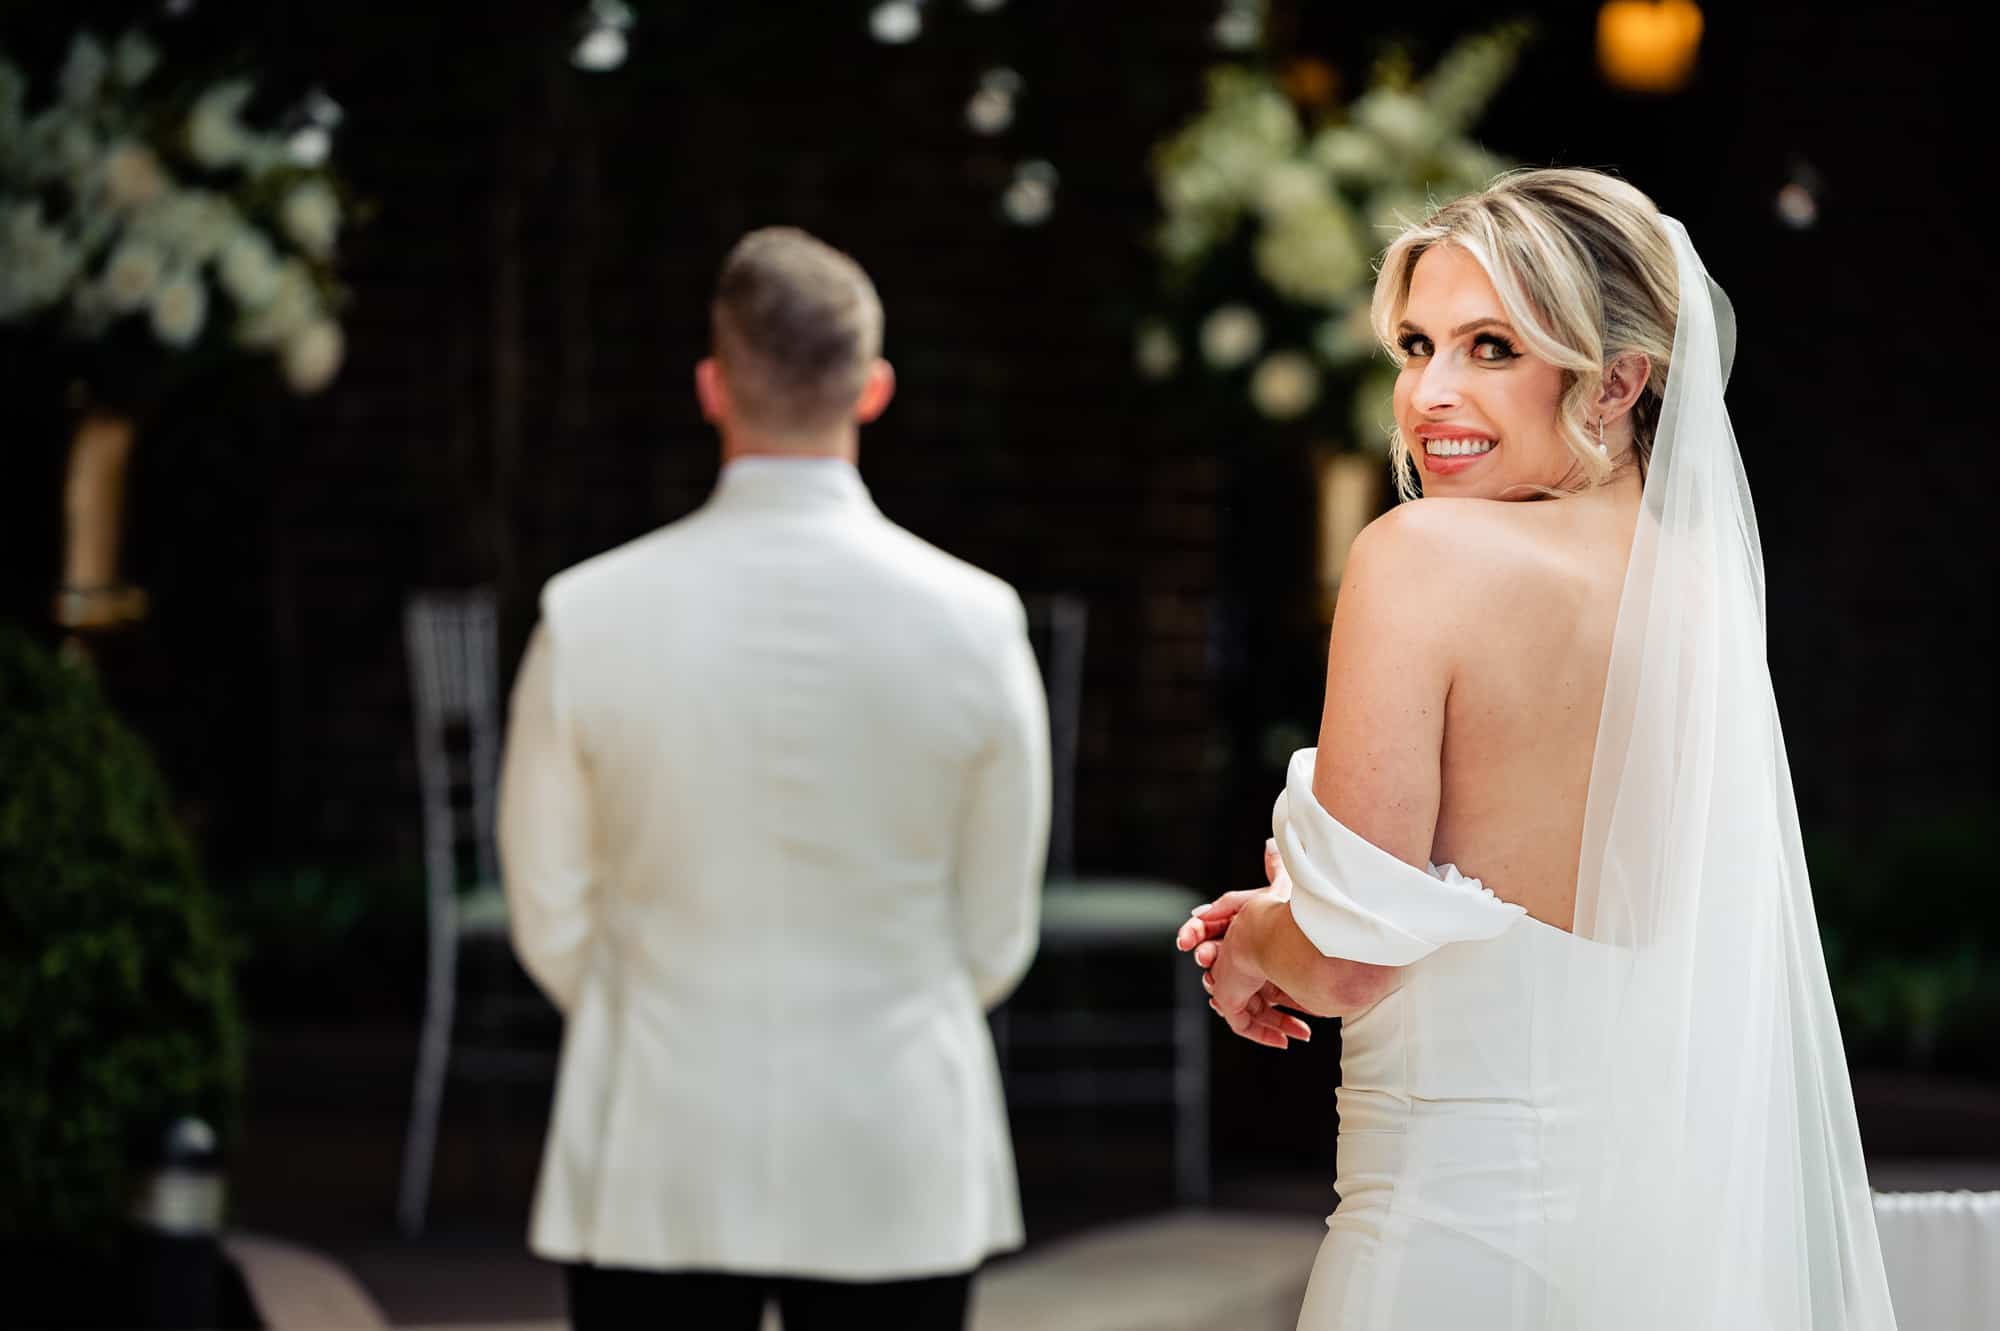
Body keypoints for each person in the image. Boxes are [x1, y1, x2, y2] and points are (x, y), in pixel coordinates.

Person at [1176, 169, 1898, 1329]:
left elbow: (1349, 962)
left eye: (1492, 348)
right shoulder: (1700, 589)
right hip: (1658, 1255)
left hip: (1452, 1248)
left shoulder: (1420, 556)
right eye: (1416, 345)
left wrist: (1250, 936)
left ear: (1616, 380)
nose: (1429, 394)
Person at [498, 226, 1051, 1331]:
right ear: (873, 388)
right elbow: (994, 931)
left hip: (654, 1136)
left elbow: (547, 912)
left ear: (713, 386)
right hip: (892, 1142)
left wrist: (653, 996)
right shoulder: (977, 621)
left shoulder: (587, 612)